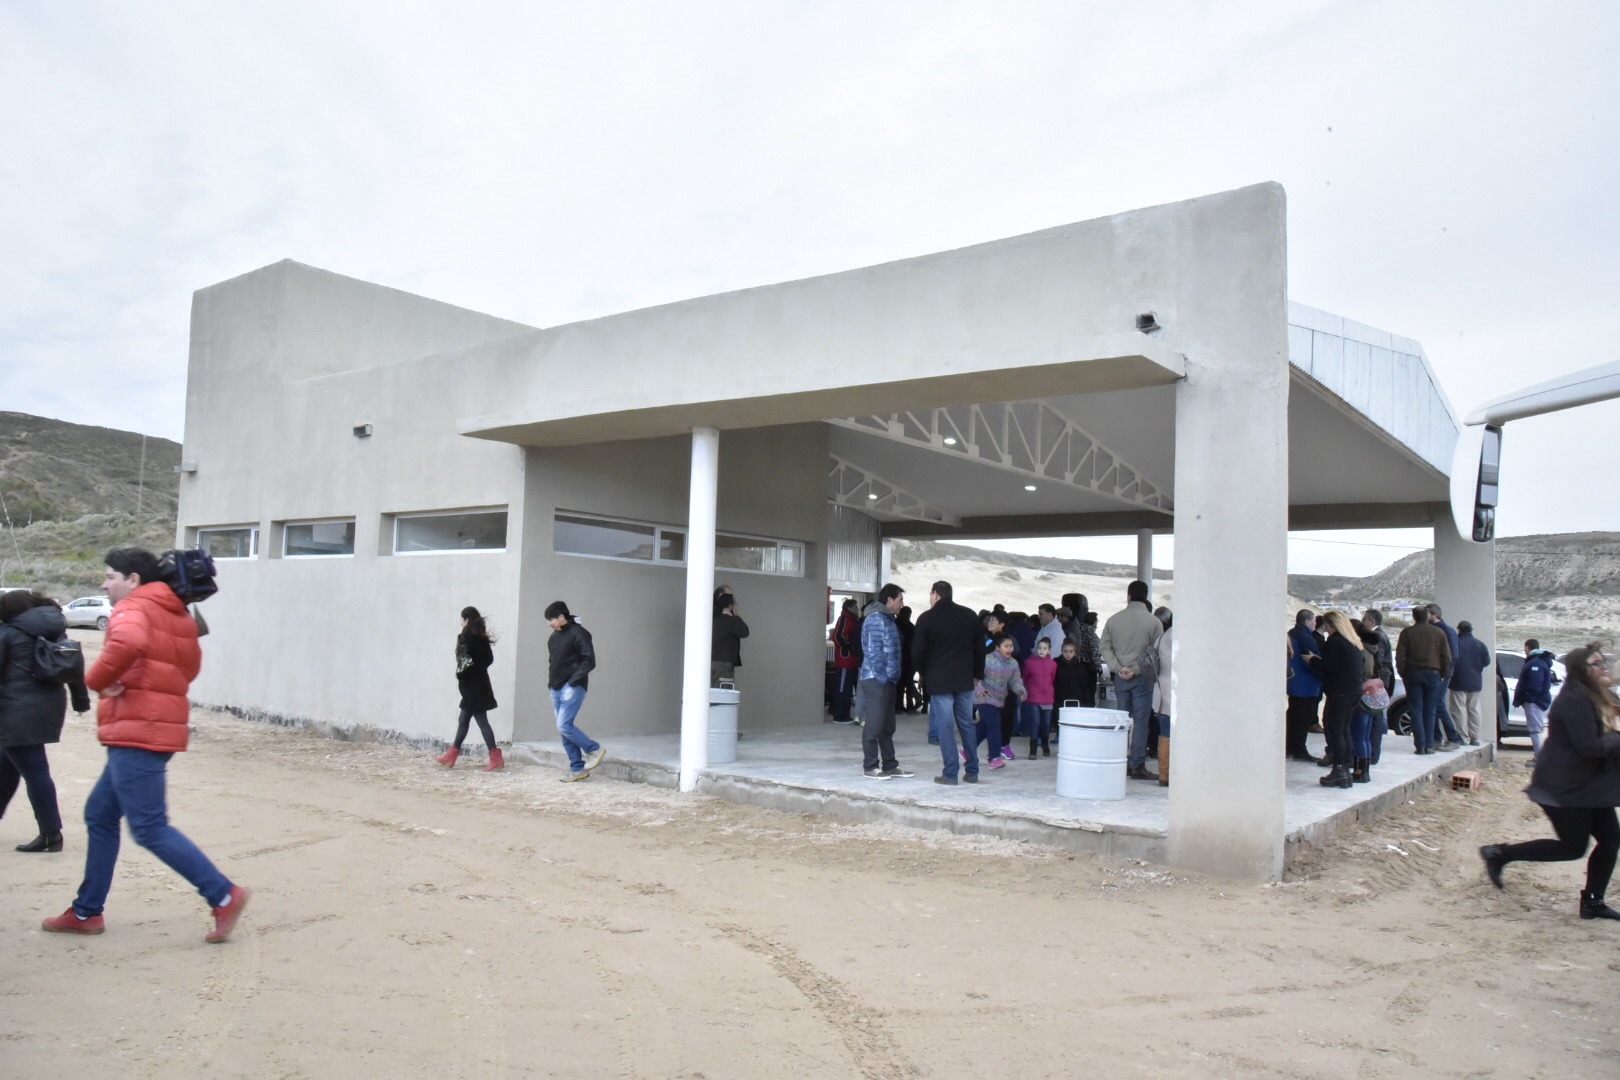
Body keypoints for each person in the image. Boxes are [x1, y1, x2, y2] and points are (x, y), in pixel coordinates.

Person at [42, 547, 249, 942]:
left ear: (133, 579)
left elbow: (129, 643)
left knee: (149, 827)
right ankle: (87, 912)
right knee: (100, 814)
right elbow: (188, 670)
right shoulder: (180, 615)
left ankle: (222, 894)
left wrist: (97, 681)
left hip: (138, 731)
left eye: (110, 576)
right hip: (156, 729)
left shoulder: (136, 606)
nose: (105, 584)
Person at [1480, 644, 1620, 921]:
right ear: (1582, 671)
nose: (1604, 667)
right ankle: (1499, 854)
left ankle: (1593, 902)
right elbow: (1589, 747)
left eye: (1604, 662)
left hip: (1588, 787)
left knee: (1611, 840)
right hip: (1563, 787)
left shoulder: (1596, 694)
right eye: (1597, 663)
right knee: (1573, 847)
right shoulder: (1575, 700)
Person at [0, 591, 91, 853]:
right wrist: (80, 701)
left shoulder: (9, 634)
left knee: (36, 772)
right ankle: (50, 832)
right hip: (47, 709)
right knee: (7, 764)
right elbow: (73, 666)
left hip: (15, 711)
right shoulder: (55, 631)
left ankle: (51, 834)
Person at [910, 581, 985, 786]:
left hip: (939, 679)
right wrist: (977, 674)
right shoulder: (969, 615)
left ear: (935, 595)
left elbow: (917, 651)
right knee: (967, 724)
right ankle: (972, 771)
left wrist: (924, 672)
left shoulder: (926, 618)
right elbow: (980, 647)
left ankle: (950, 773)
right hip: (965, 679)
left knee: (945, 726)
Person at [1100, 581, 1163, 781]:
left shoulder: (1113, 620)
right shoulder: (1154, 622)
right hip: (1142, 676)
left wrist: (1119, 669)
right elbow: (1156, 652)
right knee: (1141, 721)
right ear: (1145, 598)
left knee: (1121, 721)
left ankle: (1121, 761)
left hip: (1120, 677)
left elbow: (1105, 647)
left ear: (1128, 596)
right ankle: (1137, 765)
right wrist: (1135, 669)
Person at [434, 606, 503, 770]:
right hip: (482, 682)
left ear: (466, 620)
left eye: (461, 619)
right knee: (464, 718)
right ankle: (452, 754)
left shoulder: (464, 637)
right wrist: (479, 669)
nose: (460, 622)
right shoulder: (482, 637)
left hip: (470, 685)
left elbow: (462, 663)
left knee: (481, 720)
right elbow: (489, 660)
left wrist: (461, 677)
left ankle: (495, 757)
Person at [546, 601, 606, 782]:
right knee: (564, 729)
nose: (549, 623)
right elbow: (553, 662)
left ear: (562, 617)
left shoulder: (579, 633)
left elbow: (589, 660)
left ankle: (594, 749)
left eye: (551, 619)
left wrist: (573, 681)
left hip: (572, 687)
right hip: (555, 688)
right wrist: (552, 684)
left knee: (564, 725)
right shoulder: (553, 637)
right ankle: (577, 769)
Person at [857, 584, 912, 780]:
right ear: (889, 600)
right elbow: (874, 652)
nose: (901, 605)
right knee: (874, 725)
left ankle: (890, 765)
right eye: (899, 600)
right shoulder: (875, 620)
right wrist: (882, 677)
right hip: (876, 680)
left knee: (887, 726)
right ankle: (870, 766)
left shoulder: (888, 620)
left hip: (887, 680)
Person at [1308, 611, 1367, 788]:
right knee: (1345, 730)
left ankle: (1339, 770)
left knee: (1336, 732)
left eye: (1326, 625)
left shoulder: (1334, 643)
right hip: (1353, 692)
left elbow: (1328, 667)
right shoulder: (1353, 642)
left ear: (1331, 625)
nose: (1325, 629)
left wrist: (1312, 660)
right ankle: (1345, 770)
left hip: (1339, 692)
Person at [1396, 606, 1451, 755]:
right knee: (1430, 710)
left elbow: (1400, 657)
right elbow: (1446, 656)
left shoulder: (1407, 633)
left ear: (1413, 617)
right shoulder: (1439, 633)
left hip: (1413, 674)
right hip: (1433, 674)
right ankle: (1430, 745)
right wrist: (1443, 674)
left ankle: (1420, 746)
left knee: (1416, 710)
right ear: (1427, 616)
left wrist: (1403, 674)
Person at [975, 634, 1026, 769]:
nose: (1010, 649)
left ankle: (967, 749)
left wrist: (1021, 691)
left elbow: (1015, 681)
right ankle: (994, 757)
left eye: (1011, 646)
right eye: (1006, 646)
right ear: (998, 648)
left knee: (984, 727)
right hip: (983, 697)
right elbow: (975, 677)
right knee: (994, 724)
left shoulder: (1013, 663)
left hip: (999, 699)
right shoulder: (987, 660)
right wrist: (980, 689)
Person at [1426, 603, 1467, 749]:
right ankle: (1437, 738)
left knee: (1438, 704)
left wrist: (1444, 673)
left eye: (1427, 614)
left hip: (1442, 674)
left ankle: (1453, 739)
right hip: (1434, 673)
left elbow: (1454, 656)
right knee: (1432, 705)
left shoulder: (1447, 631)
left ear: (1434, 614)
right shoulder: (1433, 630)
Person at [1286, 610, 1324, 763]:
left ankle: (1289, 748)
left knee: (1293, 716)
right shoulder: (1306, 637)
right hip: (1306, 684)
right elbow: (1311, 659)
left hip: (1294, 683)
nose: (1316, 623)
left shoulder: (1292, 633)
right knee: (1302, 720)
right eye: (1314, 620)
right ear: (1308, 621)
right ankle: (1300, 751)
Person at [1448, 620, 1493, 746]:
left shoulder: (1456, 643)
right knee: (1474, 710)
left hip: (1458, 681)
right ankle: (1475, 738)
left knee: (1459, 709)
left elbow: (1451, 659)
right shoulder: (1480, 644)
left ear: (1459, 630)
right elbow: (1487, 662)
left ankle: (1462, 736)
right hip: (1475, 682)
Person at [1361, 609, 1396, 764]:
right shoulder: (1380, 634)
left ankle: (1372, 755)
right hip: (1380, 681)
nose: (1363, 622)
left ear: (1372, 621)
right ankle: (1372, 754)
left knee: (1375, 718)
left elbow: (1380, 661)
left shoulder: (1377, 637)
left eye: (1365, 620)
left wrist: (1375, 678)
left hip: (1377, 682)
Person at [1515, 639, 1557, 758]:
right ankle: (1539, 755)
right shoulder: (1539, 662)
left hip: (1534, 701)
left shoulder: (1535, 663)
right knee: (1537, 728)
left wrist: (1528, 698)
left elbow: (1535, 685)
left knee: (1535, 730)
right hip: (1536, 701)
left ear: (1527, 648)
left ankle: (1539, 757)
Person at [1021, 637, 1057, 758]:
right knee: (1035, 722)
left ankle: (1045, 744)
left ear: (1049, 650)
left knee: (1046, 724)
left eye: (1044, 648)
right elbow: (1024, 678)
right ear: (1036, 649)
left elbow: (1052, 679)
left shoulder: (1053, 664)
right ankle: (1033, 750)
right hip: (1033, 697)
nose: (1042, 650)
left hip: (1048, 697)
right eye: (1039, 648)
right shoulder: (1029, 663)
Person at [1150, 607, 1173, 786]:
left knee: (1165, 732)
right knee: (1171, 732)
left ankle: (1164, 774)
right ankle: (1168, 773)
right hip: (1176, 688)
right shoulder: (1179, 636)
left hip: (1162, 687)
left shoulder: (1163, 637)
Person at [829, 599, 861, 725]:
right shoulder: (844, 619)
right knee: (842, 689)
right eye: (855, 608)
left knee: (847, 689)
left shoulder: (852, 620)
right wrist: (848, 647)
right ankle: (840, 715)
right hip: (845, 661)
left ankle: (845, 714)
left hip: (851, 661)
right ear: (850, 608)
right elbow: (837, 636)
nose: (857, 610)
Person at [711, 591, 749, 688]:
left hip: (710, 661)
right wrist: (735, 616)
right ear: (731, 606)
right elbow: (745, 632)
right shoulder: (729, 620)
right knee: (723, 694)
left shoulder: (713, 619)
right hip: (723, 664)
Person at [895, 605, 922, 714]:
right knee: (908, 682)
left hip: (898, 657)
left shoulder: (895, 624)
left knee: (899, 684)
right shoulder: (911, 626)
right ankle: (910, 705)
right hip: (909, 658)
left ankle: (898, 706)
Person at [1076, 610, 1101, 707]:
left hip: (1077, 665)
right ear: (1093, 621)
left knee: (1080, 692)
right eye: (1096, 621)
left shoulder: (1077, 630)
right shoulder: (1092, 634)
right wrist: (1099, 668)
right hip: (1088, 667)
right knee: (1089, 693)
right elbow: (1094, 653)